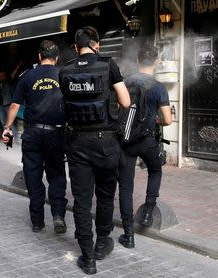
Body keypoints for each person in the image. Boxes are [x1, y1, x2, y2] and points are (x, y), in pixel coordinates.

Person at [59, 26, 130, 275]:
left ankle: (88, 258)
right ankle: (102, 243)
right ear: (96, 44)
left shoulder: (65, 69)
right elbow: (126, 101)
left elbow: (64, 105)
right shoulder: (107, 65)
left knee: (81, 199)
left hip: (77, 142)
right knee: (105, 195)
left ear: (76, 47)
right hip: (106, 142)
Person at [2, 40, 68, 235]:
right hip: (56, 133)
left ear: (39, 57)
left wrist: (7, 128)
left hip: (32, 134)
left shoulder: (27, 76)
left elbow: (14, 106)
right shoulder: (63, 75)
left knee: (33, 176)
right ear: (57, 58)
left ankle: (38, 221)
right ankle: (58, 216)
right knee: (56, 175)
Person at [117, 44, 172, 248]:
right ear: (156, 62)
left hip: (126, 141)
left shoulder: (125, 82)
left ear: (138, 61)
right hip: (148, 141)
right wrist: (155, 120)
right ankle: (148, 211)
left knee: (125, 185)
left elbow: (117, 111)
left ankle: (128, 234)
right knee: (155, 170)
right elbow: (167, 120)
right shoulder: (158, 87)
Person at [0, 63, 23, 130]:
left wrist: (18, 66)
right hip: (0, 105)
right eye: (0, 76)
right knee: (3, 122)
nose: (1, 77)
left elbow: (12, 75)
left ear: (5, 75)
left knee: (12, 122)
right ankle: (7, 137)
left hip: (8, 104)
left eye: (2, 75)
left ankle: (15, 138)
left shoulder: (9, 82)